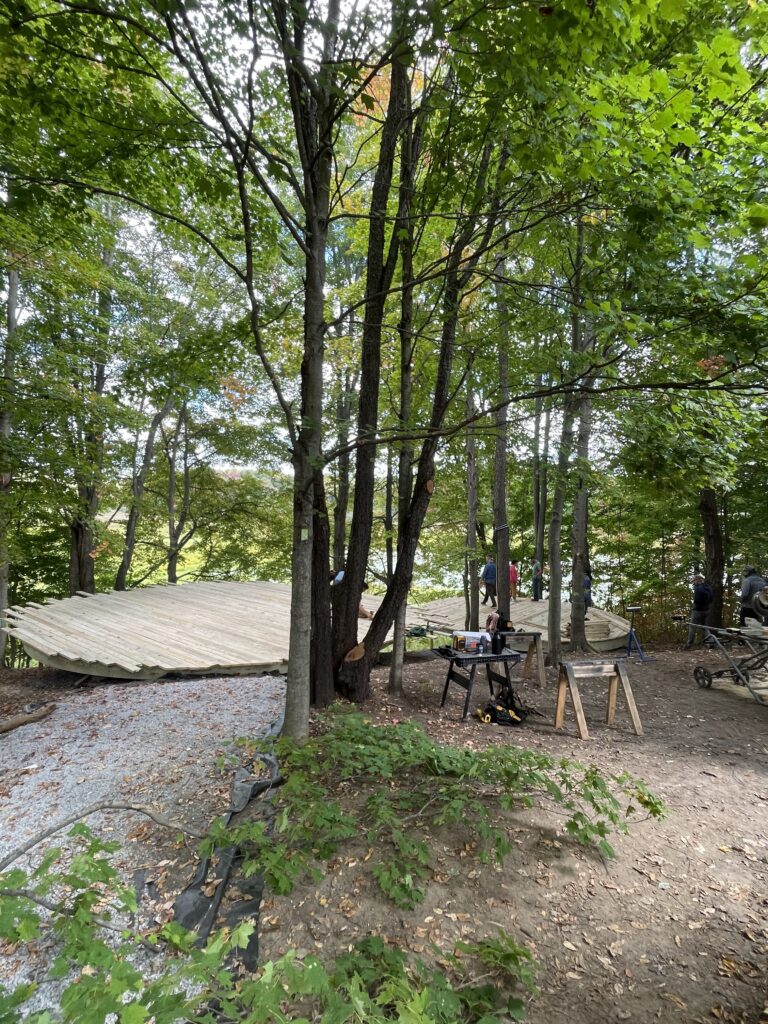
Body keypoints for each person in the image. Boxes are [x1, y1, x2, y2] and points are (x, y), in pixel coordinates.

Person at [684, 574, 713, 647]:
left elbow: (696, 600)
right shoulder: (708, 587)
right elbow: (711, 598)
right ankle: (711, 642)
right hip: (706, 610)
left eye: (694, 581)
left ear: (698, 580)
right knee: (705, 627)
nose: (693, 582)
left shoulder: (698, 588)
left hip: (697, 611)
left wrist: (696, 606)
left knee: (692, 627)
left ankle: (689, 644)